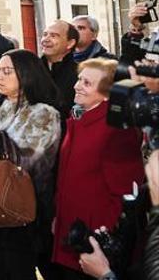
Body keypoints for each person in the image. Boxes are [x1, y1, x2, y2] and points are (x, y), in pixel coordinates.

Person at [0, 49, 62, 280]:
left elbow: (22, 161)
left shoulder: (44, 113)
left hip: (22, 207)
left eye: (7, 71)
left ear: (27, 74)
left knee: (17, 271)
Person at [51, 58, 145, 279]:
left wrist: (106, 241)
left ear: (106, 94)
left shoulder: (116, 129)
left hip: (95, 241)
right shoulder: (79, 119)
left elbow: (125, 194)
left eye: (86, 83)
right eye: (79, 79)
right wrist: (59, 217)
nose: (77, 86)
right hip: (72, 231)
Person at [41, 20, 80, 119]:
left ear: (70, 43)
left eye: (53, 36)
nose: (46, 39)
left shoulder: (80, 74)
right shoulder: (31, 69)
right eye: (45, 34)